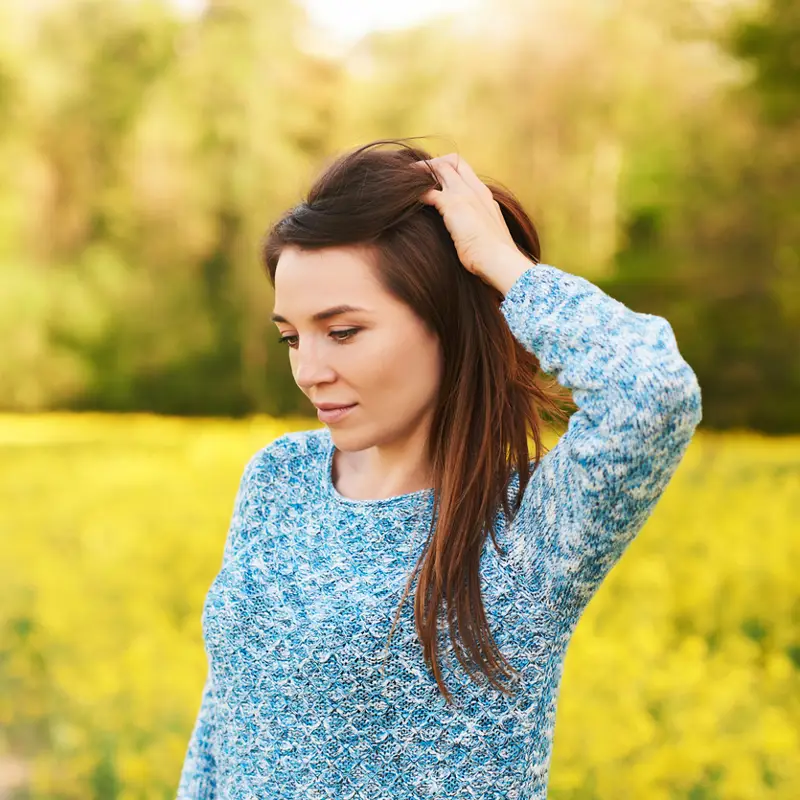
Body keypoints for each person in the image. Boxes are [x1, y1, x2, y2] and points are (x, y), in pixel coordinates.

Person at [176, 139, 702, 799]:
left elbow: (653, 392)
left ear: (445, 323)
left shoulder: (530, 528)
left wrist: (502, 266)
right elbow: (227, 713)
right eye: (291, 337)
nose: (309, 371)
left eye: (342, 332)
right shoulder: (280, 476)